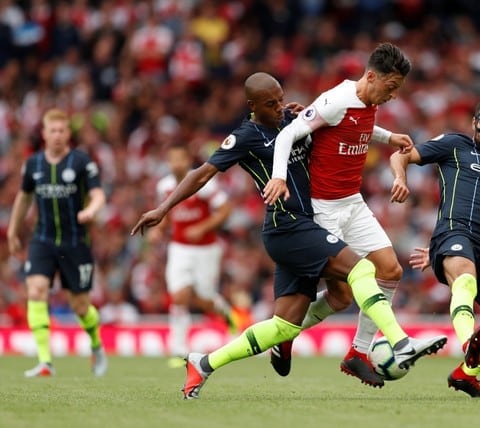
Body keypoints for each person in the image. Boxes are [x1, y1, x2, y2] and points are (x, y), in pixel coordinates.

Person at [131, 72, 446, 399]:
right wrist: (163, 208)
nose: (279, 107)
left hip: (306, 225)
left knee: (293, 320)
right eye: (271, 103)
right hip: (289, 226)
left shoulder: (291, 119)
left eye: (281, 99)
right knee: (363, 270)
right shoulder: (245, 137)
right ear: (252, 106)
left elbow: (341, 124)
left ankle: (204, 363)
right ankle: (400, 342)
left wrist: (387, 136)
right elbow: (201, 174)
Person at [262, 42, 414, 387]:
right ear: (371, 76)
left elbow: (355, 127)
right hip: (324, 208)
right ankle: (283, 335)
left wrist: (389, 137)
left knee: (390, 270)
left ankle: (359, 352)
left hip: (353, 202)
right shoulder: (336, 100)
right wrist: (279, 176)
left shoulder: (368, 101)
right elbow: (288, 134)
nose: (393, 96)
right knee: (342, 295)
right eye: (391, 87)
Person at [389, 98, 480, 398]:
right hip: (454, 232)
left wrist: (438, 256)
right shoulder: (455, 144)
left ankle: (465, 374)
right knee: (465, 279)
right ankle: (469, 342)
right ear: (474, 123)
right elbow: (400, 156)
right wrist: (401, 178)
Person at [7, 108, 108, 378]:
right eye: (52, 130)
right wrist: (13, 230)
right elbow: (24, 198)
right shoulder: (33, 164)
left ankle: (96, 344)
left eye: (62, 130)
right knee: (36, 290)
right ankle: (45, 361)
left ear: (68, 133)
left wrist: (91, 210)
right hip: (43, 240)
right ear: (44, 133)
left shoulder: (81, 162)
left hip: (75, 242)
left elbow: (98, 194)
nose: (57, 135)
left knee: (81, 307)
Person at [148, 143, 234, 368]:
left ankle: (226, 313)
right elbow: (167, 214)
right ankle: (178, 350)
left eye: (181, 159)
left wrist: (202, 227)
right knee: (179, 295)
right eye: (172, 159)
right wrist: (158, 230)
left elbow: (225, 210)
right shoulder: (164, 186)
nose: (176, 164)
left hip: (206, 249)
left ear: (188, 161)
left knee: (204, 299)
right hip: (179, 248)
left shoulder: (203, 183)